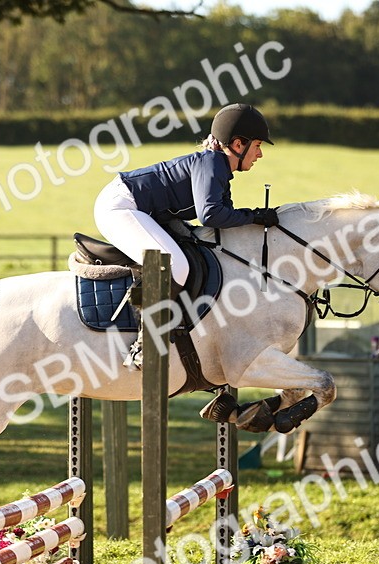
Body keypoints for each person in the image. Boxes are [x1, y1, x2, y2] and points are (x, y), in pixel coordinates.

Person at [94, 103, 278, 368]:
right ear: (238, 144)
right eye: (258, 145)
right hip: (121, 206)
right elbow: (212, 215)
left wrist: (253, 216)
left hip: (140, 208)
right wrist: (255, 216)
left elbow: (220, 216)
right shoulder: (212, 162)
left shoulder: (217, 167)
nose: (260, 154)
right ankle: (144, 346)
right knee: (174, 266)